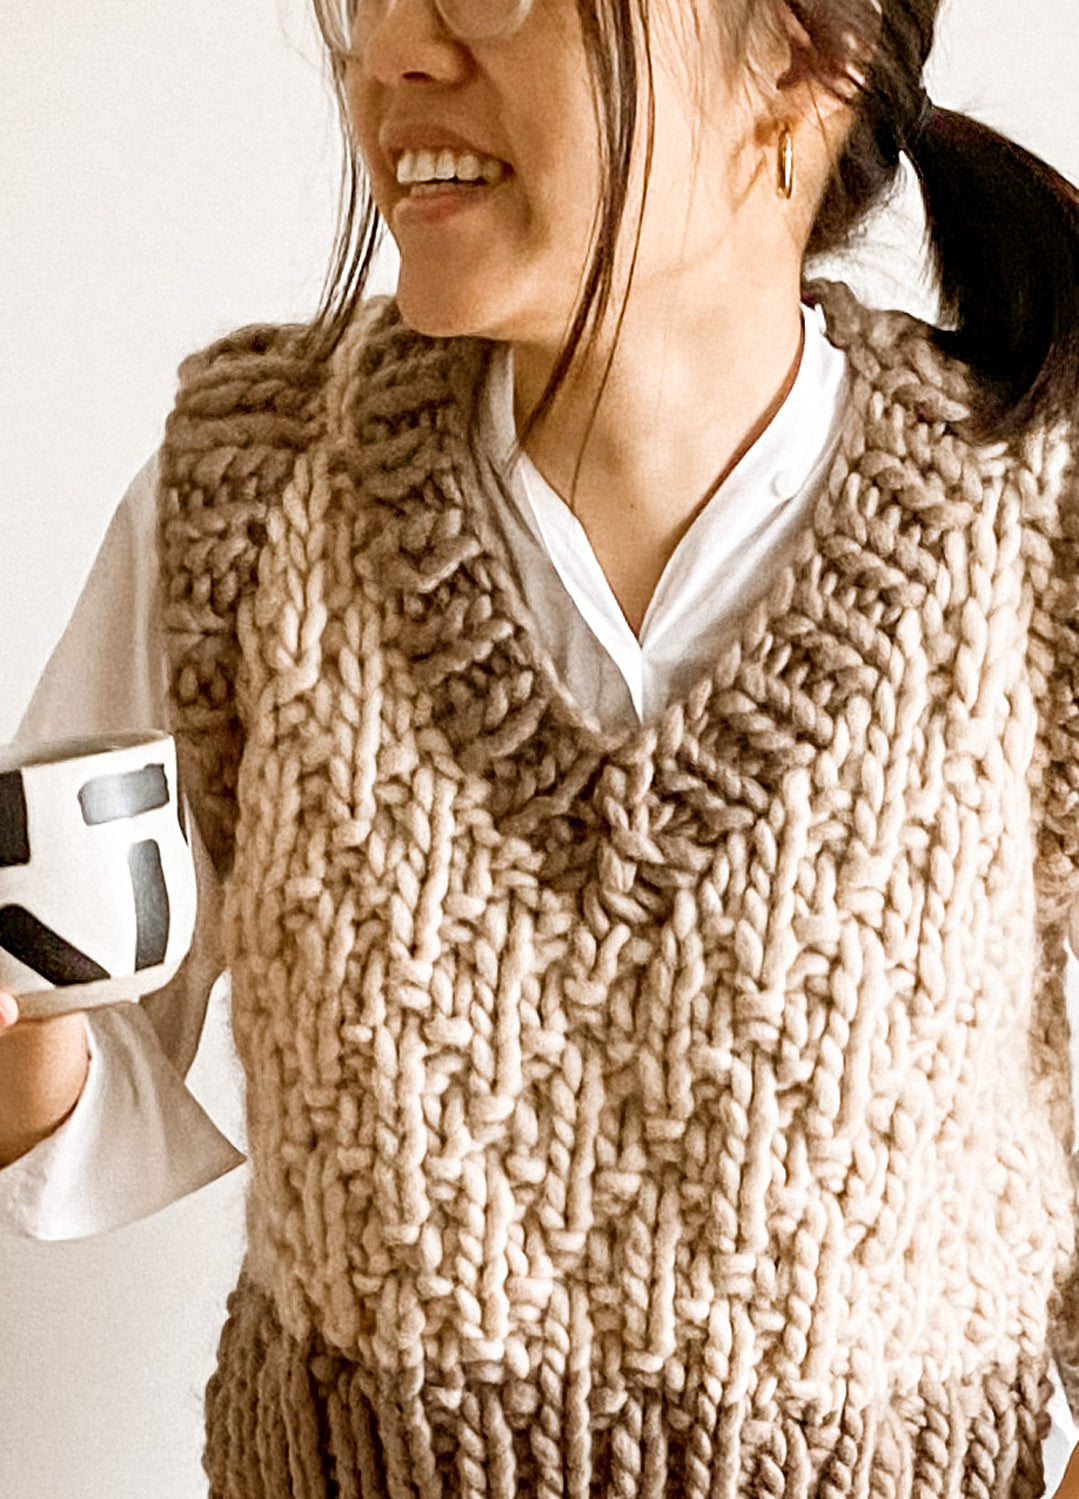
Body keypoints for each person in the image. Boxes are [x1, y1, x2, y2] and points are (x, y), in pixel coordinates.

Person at [3, 0, 1079, 1494]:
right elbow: (86, 1055)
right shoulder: (250, 502)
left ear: (799, 59)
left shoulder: (1033, 527)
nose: (393, 51)